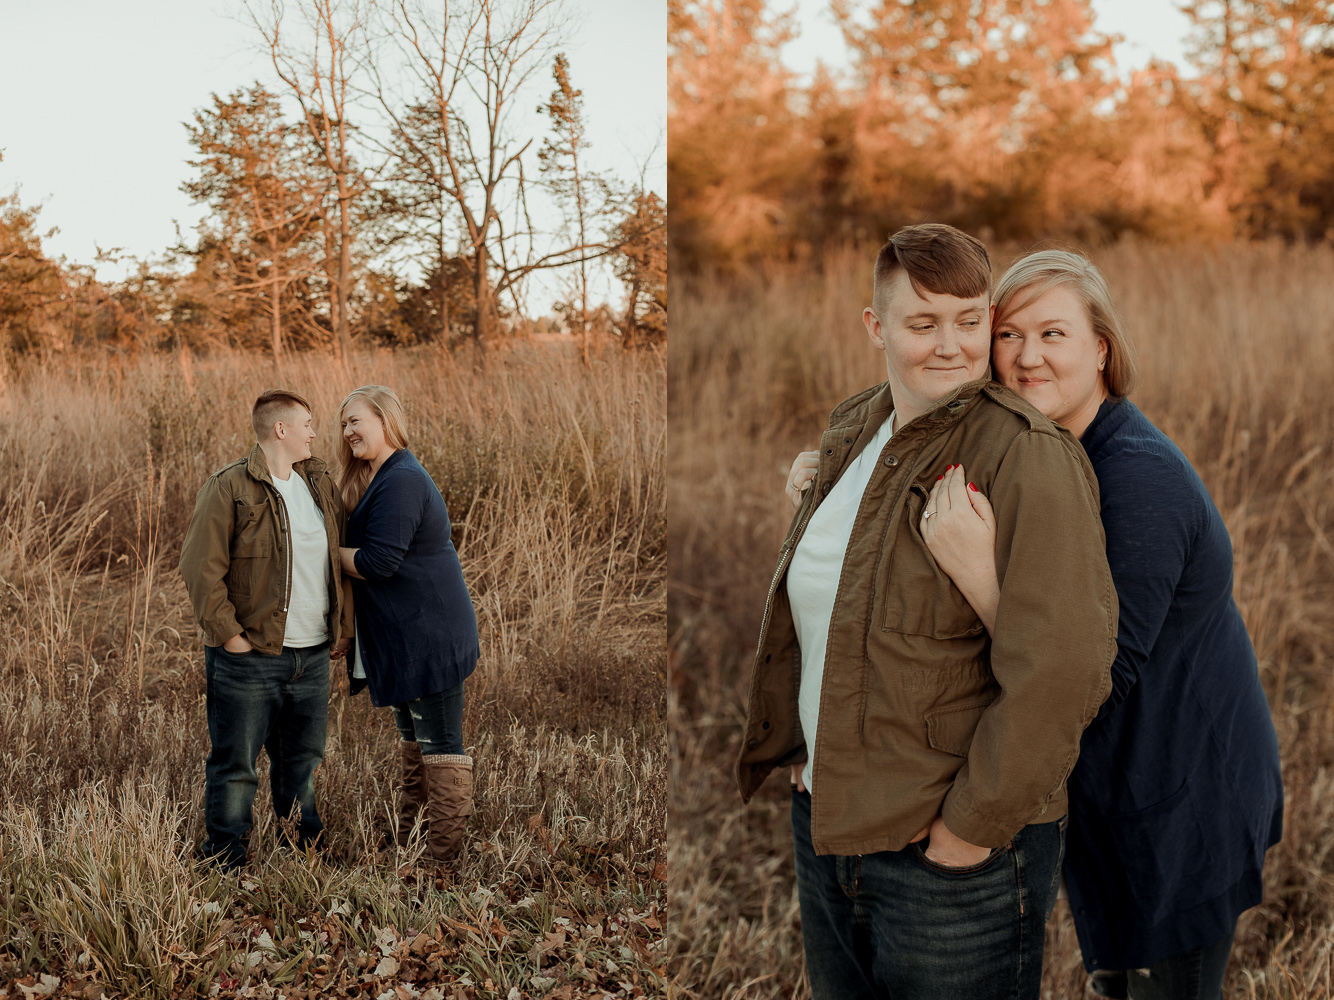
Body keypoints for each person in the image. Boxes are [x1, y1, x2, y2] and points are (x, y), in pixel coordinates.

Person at [785, 249, 1284, 999]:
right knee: (1115, 978)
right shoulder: (1042, 454)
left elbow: (1097, 674)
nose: (1025, 358)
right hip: (1095, 781)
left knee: (1162, 987)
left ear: (1101, 349)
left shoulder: (1138, 481)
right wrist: (831, 480)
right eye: (1010, 334)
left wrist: (984, 577)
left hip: (1176, 792)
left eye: (1053, 336)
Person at [738, 224, 1119, 1000]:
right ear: (877, 328)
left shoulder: (1024, 454)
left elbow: (1066, 672)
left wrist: (968, 832)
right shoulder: (852, 434)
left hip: (948, 858)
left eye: (970, 320)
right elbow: (833, 616)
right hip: (828, 827)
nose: (951, 346)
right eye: (922, 324)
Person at [180, 388, 354, 872]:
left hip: (313, 655)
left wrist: (342, 626)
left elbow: (333, 562)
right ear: (281, 430)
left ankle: (304, 851)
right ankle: (225, 862)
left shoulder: (317, 483)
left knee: (302, 763)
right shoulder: (230, 486)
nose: (314, 433)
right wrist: (230, 637)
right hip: (250, 656)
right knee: (236, 767)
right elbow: (199, 567)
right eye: (307, 424)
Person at [336, 385, 479, 862]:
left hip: (429, 635)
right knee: (414, 745)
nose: (347, 430)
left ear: (385, 419)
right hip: (402, 637)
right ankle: (411, 845)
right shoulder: (377, 477)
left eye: (356, 420)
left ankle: (440, 863)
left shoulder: (402, 479)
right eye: (343, 424)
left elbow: (379, 563)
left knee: (440, 746)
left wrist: (322, 555)